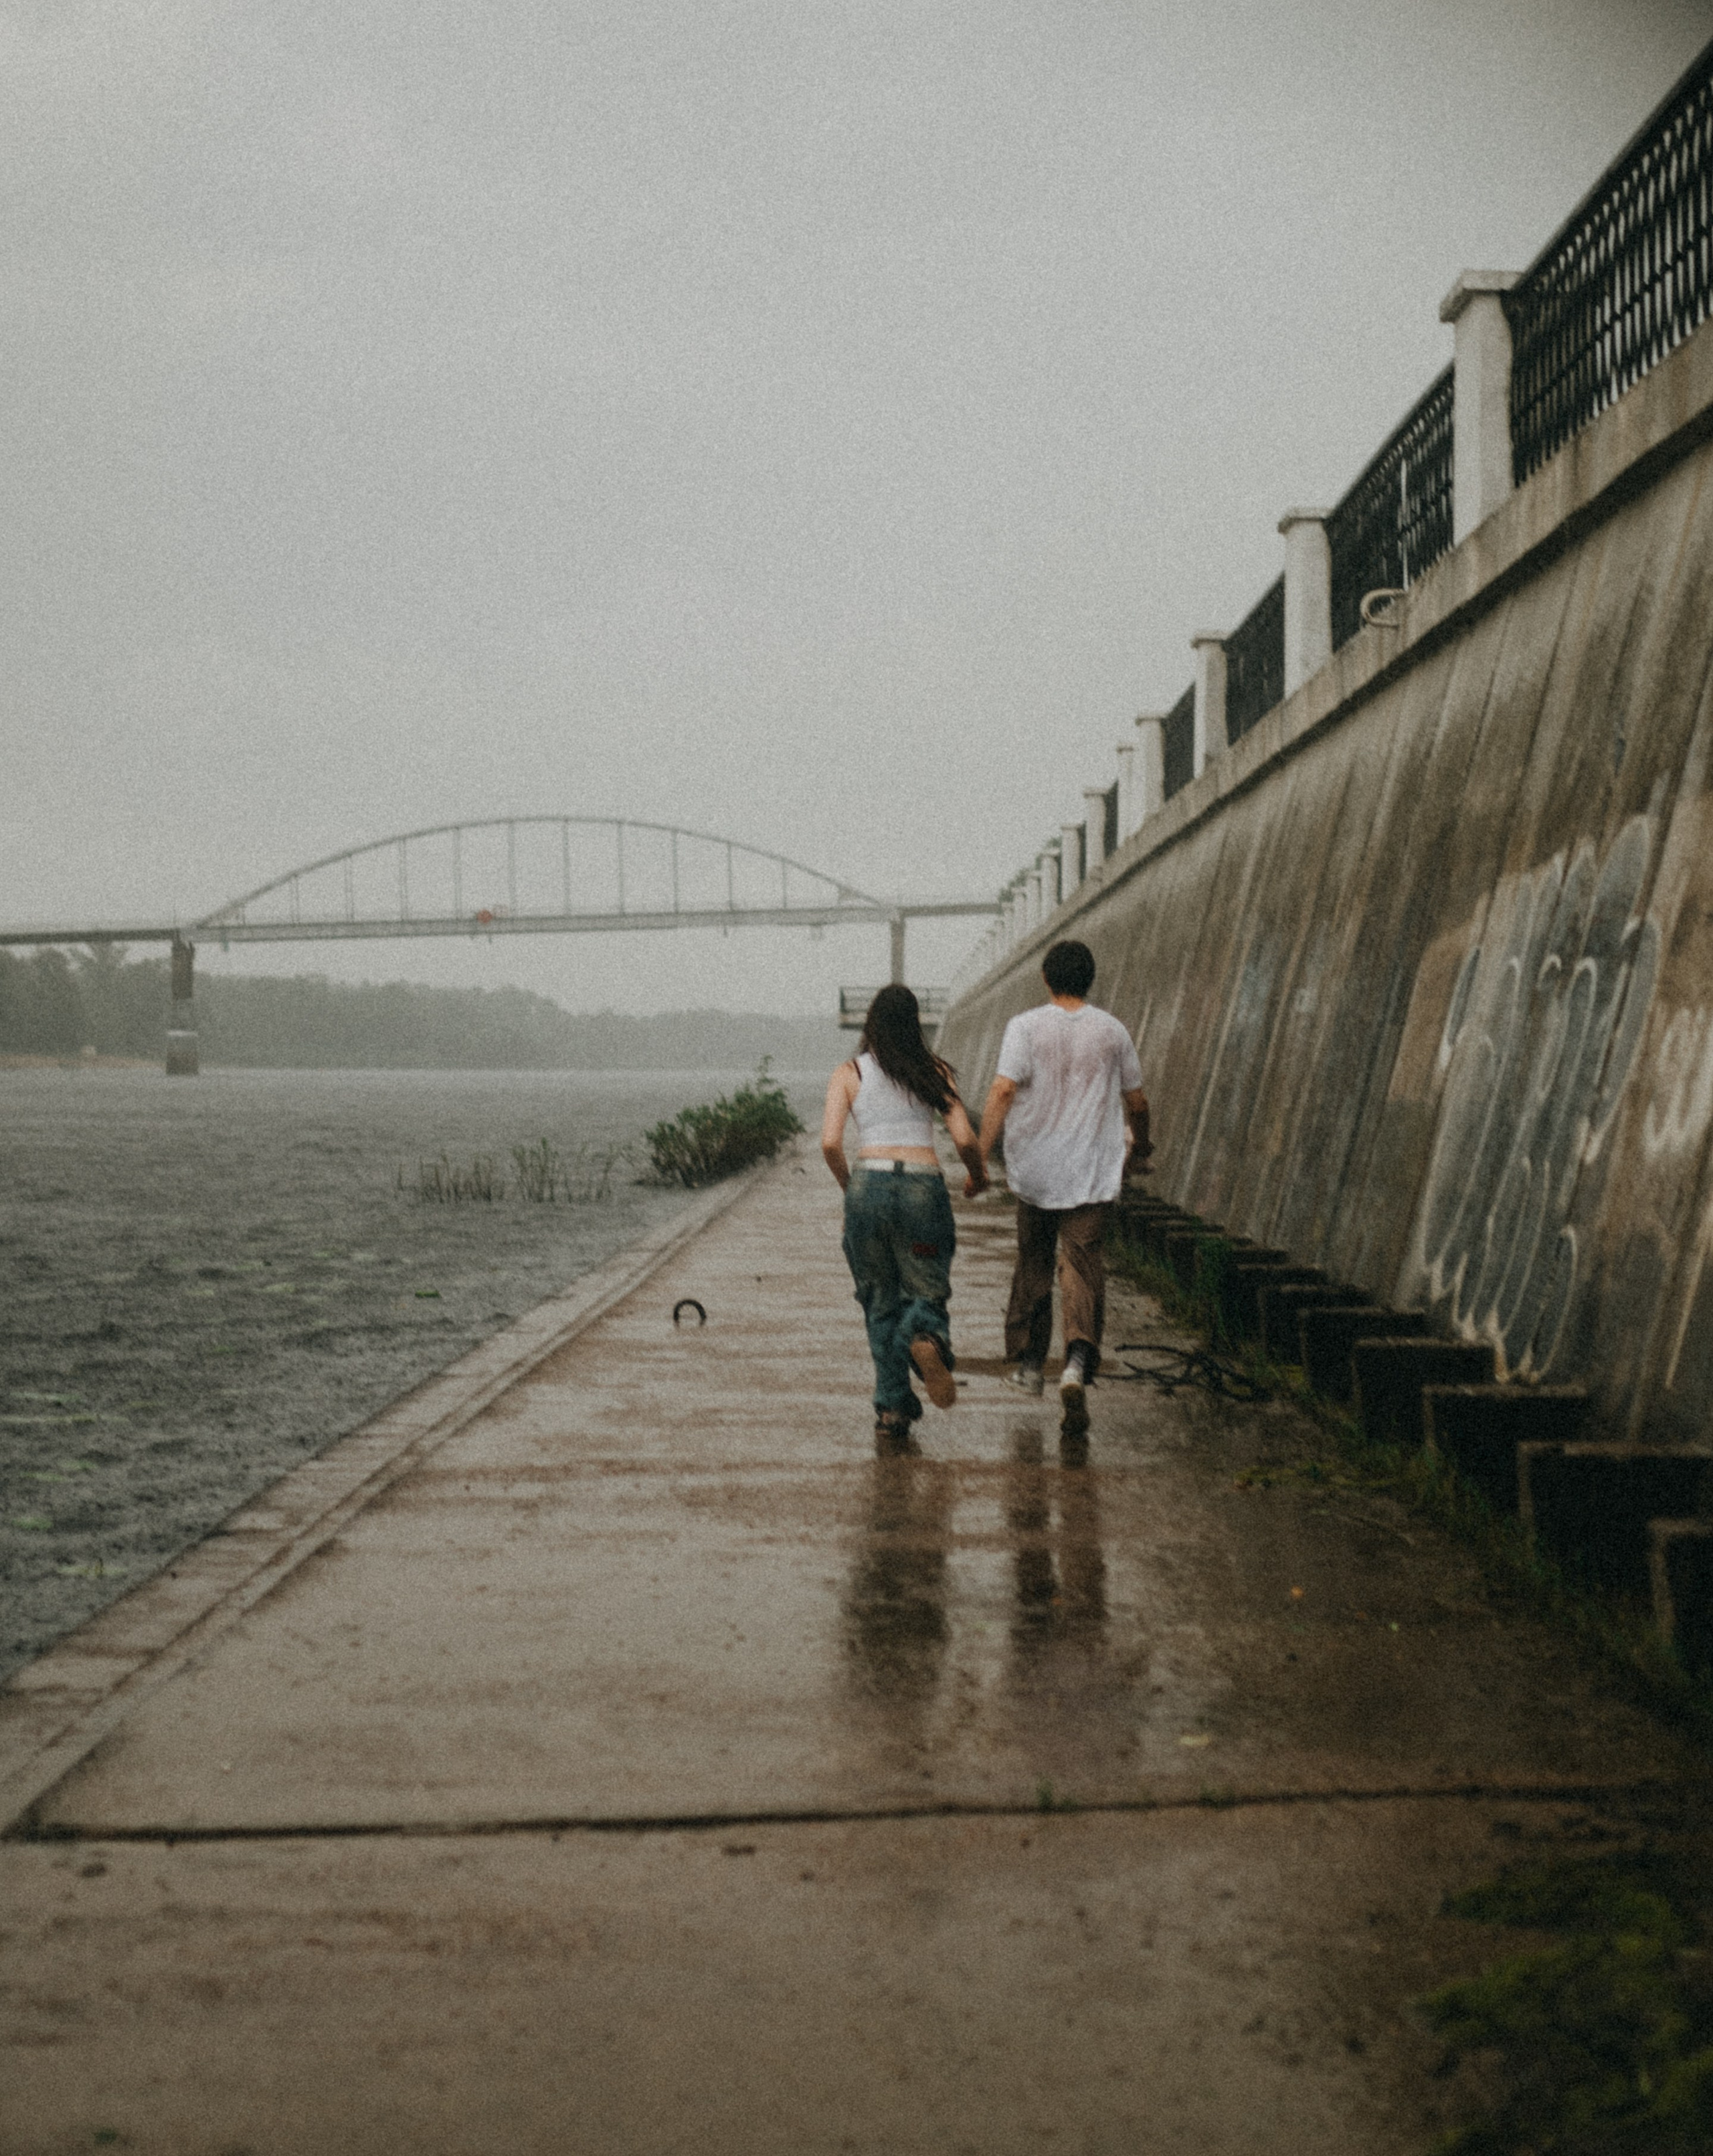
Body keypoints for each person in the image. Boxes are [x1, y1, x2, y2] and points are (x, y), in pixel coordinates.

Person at [977, 939, 1150, 1435]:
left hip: (1035, 1171)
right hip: (1092, 1173)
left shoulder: (1024, 1027)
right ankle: (1076, 1362)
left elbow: (1003, 1090)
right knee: (1081, 1264)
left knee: (1034, 1261)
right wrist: (1141, 1148)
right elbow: (1136, 1101)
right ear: (1089, 979)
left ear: (1047, 979)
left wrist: (978, 1159)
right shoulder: (1112, 1030)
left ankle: (1031, 1369)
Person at [822, 984, 987, 1440]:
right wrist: (978, 1175)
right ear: (915, 1024)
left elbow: (830, 1143)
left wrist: (852, 1190)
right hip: (921, 1186)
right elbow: (966, 1140)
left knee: (879, 1302)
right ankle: (926, 1341)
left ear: (871, 1022)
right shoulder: (934, 1071)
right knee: (925, 1290)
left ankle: (893, 1409)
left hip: (868, 1184)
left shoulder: (848, 1072)